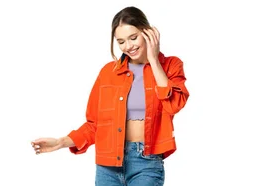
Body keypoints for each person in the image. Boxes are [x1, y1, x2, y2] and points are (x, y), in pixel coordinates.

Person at [31, 6, 189, 186]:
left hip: (146, 162)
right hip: (107, 165)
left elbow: (174, 104)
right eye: (121, 41)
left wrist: (153, 60)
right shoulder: (108, 72)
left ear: (148, 32)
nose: (128, 46)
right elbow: (95, 125)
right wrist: (61, 142)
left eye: (133, 37)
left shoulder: (170, 65)